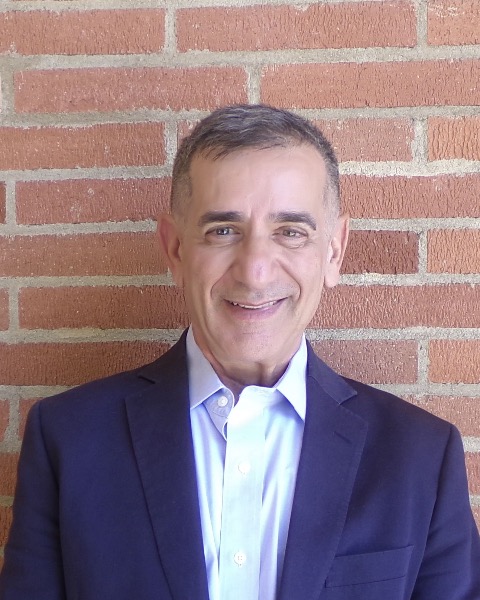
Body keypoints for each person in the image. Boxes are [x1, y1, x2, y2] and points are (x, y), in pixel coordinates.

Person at [1, 104, 479, 600]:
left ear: (334, 251)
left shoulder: (419, 457)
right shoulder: (69, 441)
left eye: (290, 232)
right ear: (175, 250)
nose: (255, 271)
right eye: (223, 231)